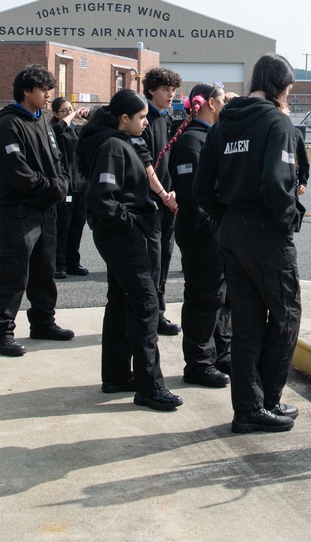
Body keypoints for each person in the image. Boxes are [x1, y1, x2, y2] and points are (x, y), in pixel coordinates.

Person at [193, 54, 302, 434]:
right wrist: (291, 218)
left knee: (248, 325)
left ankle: (248, 408)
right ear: (281, 86)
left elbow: (202, 188)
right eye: (289, 87)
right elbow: (277, 184)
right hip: (266, 234)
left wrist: (226, 216)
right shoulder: (278, 122)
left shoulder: (224, 124)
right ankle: (265, 400)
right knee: (286, 316)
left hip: (230, 233)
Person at [78, 89, 182, 411]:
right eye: (140, 117)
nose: (146, 122)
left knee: (121, 301)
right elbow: (101, 197)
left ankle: (116, 374)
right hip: (123, 238)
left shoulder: (122, 142)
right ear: (124, 118)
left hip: (123, 236)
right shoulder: (113, 146)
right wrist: (130, 225)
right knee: (146, 305)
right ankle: (149, 387)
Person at [0, 66, 73, 356]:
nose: (49, 94)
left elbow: (57, 158)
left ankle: (43, 322)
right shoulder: (10, 125)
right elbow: (17, 172)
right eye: (43, 89)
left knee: (44, 269)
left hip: (46, 210)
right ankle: (0, 333)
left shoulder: (42, 122)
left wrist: (61, 183)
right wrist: (52, 188)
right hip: (19, 212)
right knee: (13, 272)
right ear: (27, 91)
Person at [164, 83, 236, 388]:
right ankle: (198, 363)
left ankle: (221, 354)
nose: (224, 105)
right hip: (201, 234)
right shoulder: (193, 141)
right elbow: (193, 200)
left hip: (215, 233)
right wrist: (212, 229)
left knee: (221, 298)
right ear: (207, 104)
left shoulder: (211, 137)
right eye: (220, 100)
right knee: (204, 298)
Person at [137, 67, 183, 336]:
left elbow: (173, 160)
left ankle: (160, 313)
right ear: (152, 89)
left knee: (165, 257)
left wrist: (174, 191)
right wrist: (163, 194)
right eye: (165, 89)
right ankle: (148, 314)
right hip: (150, 202)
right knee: (151, 260)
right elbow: (145, 163)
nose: (170, 94)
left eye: (173, 90)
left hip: (169, 201)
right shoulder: (143, 119)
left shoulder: (170, 119)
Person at [50, 98, 90, 279]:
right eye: (64, 111)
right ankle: (58, 264)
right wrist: (71, 115)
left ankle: (73, 261)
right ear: (56, 114)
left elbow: (94, 132)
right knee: (63, 226)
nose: (69, 113)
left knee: (77, 225)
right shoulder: (55, 131)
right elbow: (58, 130)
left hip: (81, 185)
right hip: (66, 186)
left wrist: (87, 117)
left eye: (70, 109)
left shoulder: (77, 130)